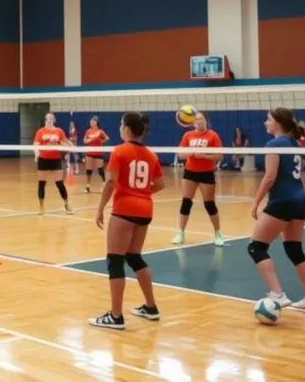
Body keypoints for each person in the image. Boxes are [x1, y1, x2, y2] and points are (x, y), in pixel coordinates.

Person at [89, 112, 164, 330]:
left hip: (124, 210)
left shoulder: (119, 151)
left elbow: (110, 182)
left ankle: (116, 316)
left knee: (115, 261)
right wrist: (140, 192)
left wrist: (101, 207)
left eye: (122, 125)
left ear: (128, 129)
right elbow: (159, 185)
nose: (120, 128)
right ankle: (150, 307)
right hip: (145, 209)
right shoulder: (151, 155)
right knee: (134, 257)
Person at [248, 108, 305, 313]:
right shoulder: (294, 144)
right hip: (300, 201)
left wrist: (256, 202)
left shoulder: (273, 144)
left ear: (278, 123)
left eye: (268, 119)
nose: (265, 123)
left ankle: (277, 294)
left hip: (283, 201)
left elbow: (270, 176)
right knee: (294, 250)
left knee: (256, 247)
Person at [172, 111, 225, 246]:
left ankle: (218, 233)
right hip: (190, 172)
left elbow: (220, 156)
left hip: (206, 173)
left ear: (205, 121)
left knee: (209, 204)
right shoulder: (188, 135)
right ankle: (180, 232)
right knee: (186, 202)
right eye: (196, 120)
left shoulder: (213, 136)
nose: (198, 121)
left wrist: (205, 156)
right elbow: (180, 155)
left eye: (200, 119)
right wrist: (192, 152)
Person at [33, 113, 73, 215]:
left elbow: (65, 142)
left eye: (52, 117)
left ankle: (66, 204)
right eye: (48, 117)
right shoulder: (40, 131)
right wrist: (36, 154)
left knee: (59, 183)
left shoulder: (59, 131)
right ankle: (41, 207)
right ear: (45, 119)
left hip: (55, 160)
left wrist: (71, 146)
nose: (50, 119)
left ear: (54, 120)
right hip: (43, 159)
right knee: (42, 183)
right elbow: (36, 144)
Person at [83, 116, 109, 193]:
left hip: (98, 152)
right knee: (89, 170)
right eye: (91, 121)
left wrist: (101, 141)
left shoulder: (100, 131)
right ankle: (87, 186)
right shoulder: (88, 131)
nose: (91, 122)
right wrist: (91, 139)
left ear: (96, 122)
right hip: (90, 152)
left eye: (93, 121)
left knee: (100, 169)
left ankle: (104, 184)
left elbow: (107, 138)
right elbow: (85, 141)